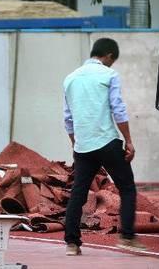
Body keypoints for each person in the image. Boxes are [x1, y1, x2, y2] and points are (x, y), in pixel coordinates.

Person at [62, 38, 145, 256]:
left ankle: (72, 243)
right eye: (112, 60)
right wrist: (128, 140)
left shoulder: (70, 79)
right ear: (108, 55)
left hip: (83, 146)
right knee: (127, 188)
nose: (111, 64)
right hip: (107, 142)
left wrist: (76, 144)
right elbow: (118, 110)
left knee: (78, 194)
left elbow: (68, 119)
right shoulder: (109, 75)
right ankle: (127, 237)